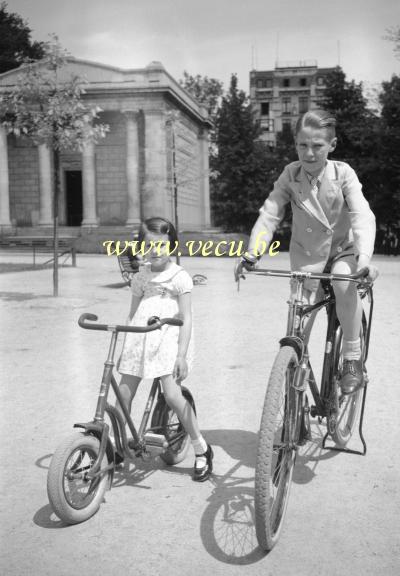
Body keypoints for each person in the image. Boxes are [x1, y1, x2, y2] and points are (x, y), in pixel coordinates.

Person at [236, 109, 378, 395]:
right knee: (297, 328)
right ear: (295, 144)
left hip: (343, 250)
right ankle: (294, 403)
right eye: (303, 145)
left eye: (317, 146)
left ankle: (352, 356)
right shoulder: (291, 173)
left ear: (332, 145)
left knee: (342, 280)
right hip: (307, 257)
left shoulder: (343, 173)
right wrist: (252, 253)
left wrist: (363, 259)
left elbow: (362, 213)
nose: (309, 153)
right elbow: (271, 212)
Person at [117, 217, 213, 481]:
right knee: (123, 394)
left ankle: (200, 447)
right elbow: (133, 313)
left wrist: (181, 354)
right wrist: (126, 347)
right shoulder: (140, 278)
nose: (156, 250)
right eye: (150, 245)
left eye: (162, 245)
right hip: (141, 338)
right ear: (142, 247)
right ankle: (112, 447)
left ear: (171, 245)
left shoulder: (179, 276)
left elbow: (187, 316)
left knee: (171, 394)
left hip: (168, 339)